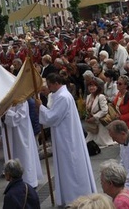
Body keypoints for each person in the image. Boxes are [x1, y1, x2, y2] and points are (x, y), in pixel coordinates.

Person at [36, 72, 97, 206]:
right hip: (64, 135)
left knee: (70, 166)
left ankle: (74, 195)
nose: (49, 88)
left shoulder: (63, 97)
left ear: (57, 83)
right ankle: (68, 195)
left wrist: (40, 106)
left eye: (50, 85)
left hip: (67, 139)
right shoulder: (61, 95)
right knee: (67, 166)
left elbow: (52, 117)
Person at [1, 100, 43, 188]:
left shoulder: (22, 101)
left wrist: (6, 113)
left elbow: (18, 117)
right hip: (10, 134)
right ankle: (15, 181)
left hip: (22, 135)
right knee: (13, 156)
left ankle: (29, 181)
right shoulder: (7, 101)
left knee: (24, 158)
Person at [84, 78, 116, 148]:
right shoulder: (88, 96)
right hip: (92, 122)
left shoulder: (101, 96)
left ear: (97, 87)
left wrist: (95, 117)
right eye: (89, 86)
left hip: (100, 121)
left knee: (102, 141)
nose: (91, 88)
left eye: (93, 86)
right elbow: (88, 109)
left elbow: (105, 110)